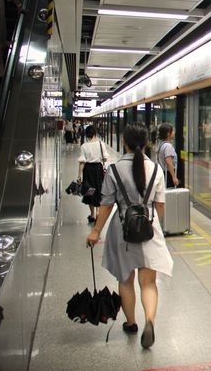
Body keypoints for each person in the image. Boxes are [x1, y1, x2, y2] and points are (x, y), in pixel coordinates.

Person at [86, 123, 173, 349]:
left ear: (124, 142)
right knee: (149, 282)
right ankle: (150, 321)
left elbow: (105, 206)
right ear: (146, 144)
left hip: (122, 229)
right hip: (148, 227)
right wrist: (154, 228)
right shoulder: (155, 169)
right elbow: (160, 205)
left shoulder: (114, 171)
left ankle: (132, 323)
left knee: (125, 280)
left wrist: (96, 231)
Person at [77, 125, 108, 223]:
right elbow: (105, 158)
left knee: (89, 190)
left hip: (88, 169)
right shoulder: (100, 144)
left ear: (86, 134)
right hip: (98, 169)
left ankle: (92, 214)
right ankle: (98, 212)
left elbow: (82, 162)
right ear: (95, 133)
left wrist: (79, 175)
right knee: (99, 189)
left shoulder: (84, 146)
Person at [156, 122, 180, 188]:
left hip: (163, 173)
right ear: (168, 134)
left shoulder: (161, 144)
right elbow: (168, 162)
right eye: (173, 131)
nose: (174, 133)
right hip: (168, 174)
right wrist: (174, 177)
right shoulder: (168, 146)